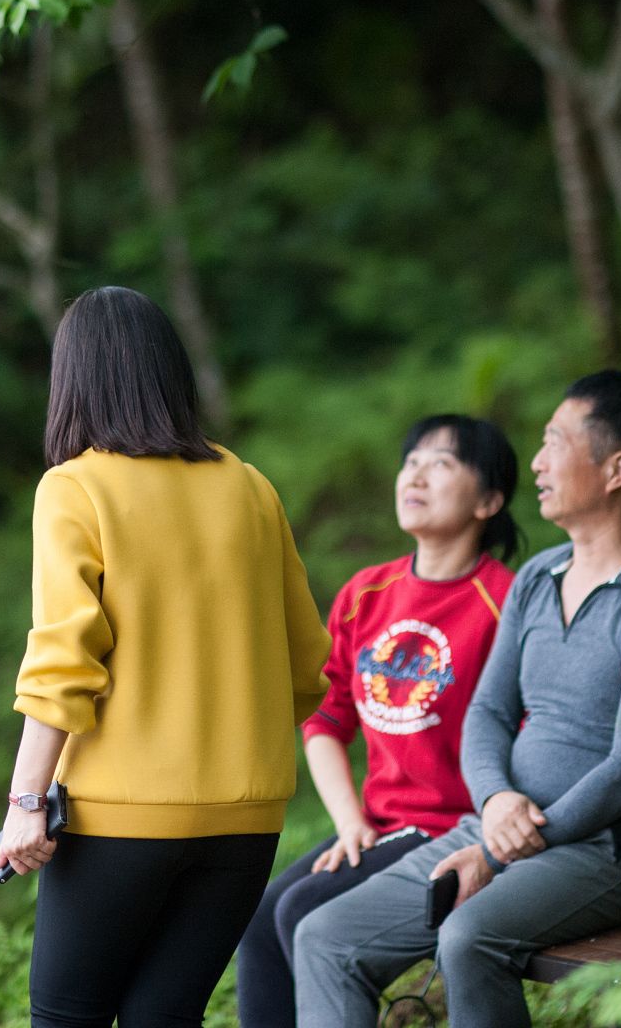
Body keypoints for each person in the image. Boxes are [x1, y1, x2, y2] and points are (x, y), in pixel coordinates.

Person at [292, 370, 621, 1028]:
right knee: (324, 937)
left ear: (616, 469)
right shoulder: (538, 578)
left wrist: (498, 854)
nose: (539, 463)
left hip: (612, 850)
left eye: (555, 443)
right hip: (494, 827)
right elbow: (488, 713)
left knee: (468, 938)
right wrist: (494, 802)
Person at [0, 286, 333, 1028]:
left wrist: (25, 804)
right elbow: (308, 664)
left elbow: (62, 663)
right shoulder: (250, 487)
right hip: (246, 818)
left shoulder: (75, 488)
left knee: (66, 1016)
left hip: (119, 819)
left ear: (74, 379)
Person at [234, 414, 522, 1028]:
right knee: (259, 920)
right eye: (411, 460)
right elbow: (323, 719)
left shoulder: (506, 602)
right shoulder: (368, 592)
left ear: (489, 500)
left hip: (457, 826)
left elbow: (528, 735)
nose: (416, 472)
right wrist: (348, 820)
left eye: (442, 462)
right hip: (382, 825)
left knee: (302, 913)